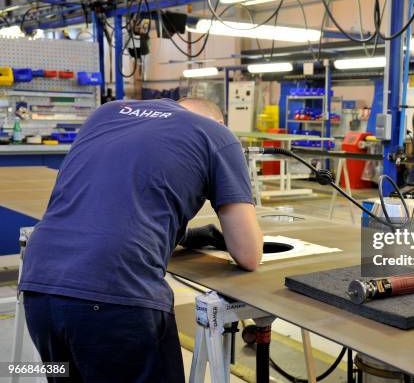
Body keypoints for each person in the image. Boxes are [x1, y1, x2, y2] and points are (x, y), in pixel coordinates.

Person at [18, 98, 263, 382]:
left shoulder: (107, 114)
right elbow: (248, 253)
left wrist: (183, 235)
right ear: (219, 123)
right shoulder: (217, 134)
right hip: (114, 296)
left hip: (40, 290)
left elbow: (116, 201)